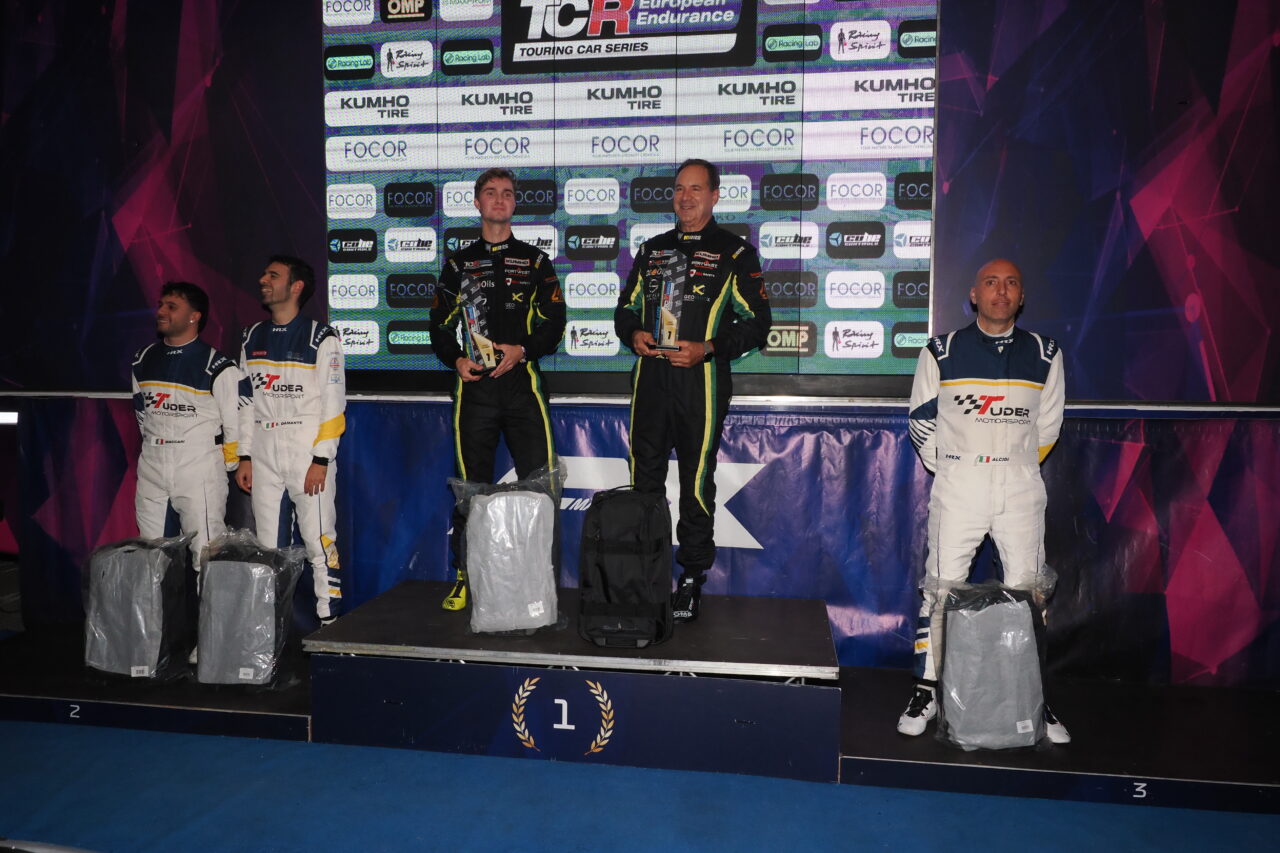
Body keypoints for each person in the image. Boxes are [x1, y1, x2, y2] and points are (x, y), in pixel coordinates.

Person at [899, 258, 1069, 743]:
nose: (1001, 291)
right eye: (991, 283)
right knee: (940, 588)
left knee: (1028, 592)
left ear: (1021, 296)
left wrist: (1013, 466)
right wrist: (956, 467)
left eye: (1011, 283)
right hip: (960, 486)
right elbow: (921, 420)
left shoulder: (1046, 352)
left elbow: (1049, 425)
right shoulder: (942, 350)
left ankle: (1030, 698)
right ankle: (927, 690)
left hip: (1020, 487)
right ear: (974, 294)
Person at [614, 158, 771, 622]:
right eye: (680, 189)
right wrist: (634, 334)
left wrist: (708, 348)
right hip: (651, 381)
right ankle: (645, 574)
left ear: (715, 195)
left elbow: (758, 324)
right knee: (643, 480)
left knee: (696, 482)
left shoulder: (735, 253)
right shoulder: (653, 250)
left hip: (700, 382)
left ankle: (691, 576)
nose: (686, 197)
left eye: (696, 189)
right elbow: (625, 310)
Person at [429, 168, 566, 611]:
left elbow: (555, 323)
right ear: (477, 202)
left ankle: (543, 580)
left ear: (514, 203)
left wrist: (523, 350)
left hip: (524, 388)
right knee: (471, 490)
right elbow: (438, 326)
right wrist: (457, 360)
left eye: (507, 193)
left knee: (542, 488)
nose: (500, 199)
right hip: (475, 391)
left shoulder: (536, 261)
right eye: (491, 193)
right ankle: (466, 576)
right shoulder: (457, 264)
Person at [234, 256, 346, 625]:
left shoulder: (321, 337)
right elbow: (246, 403)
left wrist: (321, 458)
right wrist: (245, 456)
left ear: (296, 287)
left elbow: (334, 404)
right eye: (264, 273)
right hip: (264, 449)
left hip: (306, 448)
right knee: (268, 546)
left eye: (273, 275)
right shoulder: (252, 337)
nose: (263, 280)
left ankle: (329, 624)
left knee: (319, 542)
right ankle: (267, 632)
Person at [132, 281, 242, 561]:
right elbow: (141, 413)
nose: (161, 311)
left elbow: (234, 423)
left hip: (198, 464)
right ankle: (155, 594)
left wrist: (228, 463)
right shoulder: (143, 359)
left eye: (172, 307)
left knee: (206, 551)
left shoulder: (218, 365)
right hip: (152, 463)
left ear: (194, 317)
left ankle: (211, 593)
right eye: (161, 305)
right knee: (151, 552)